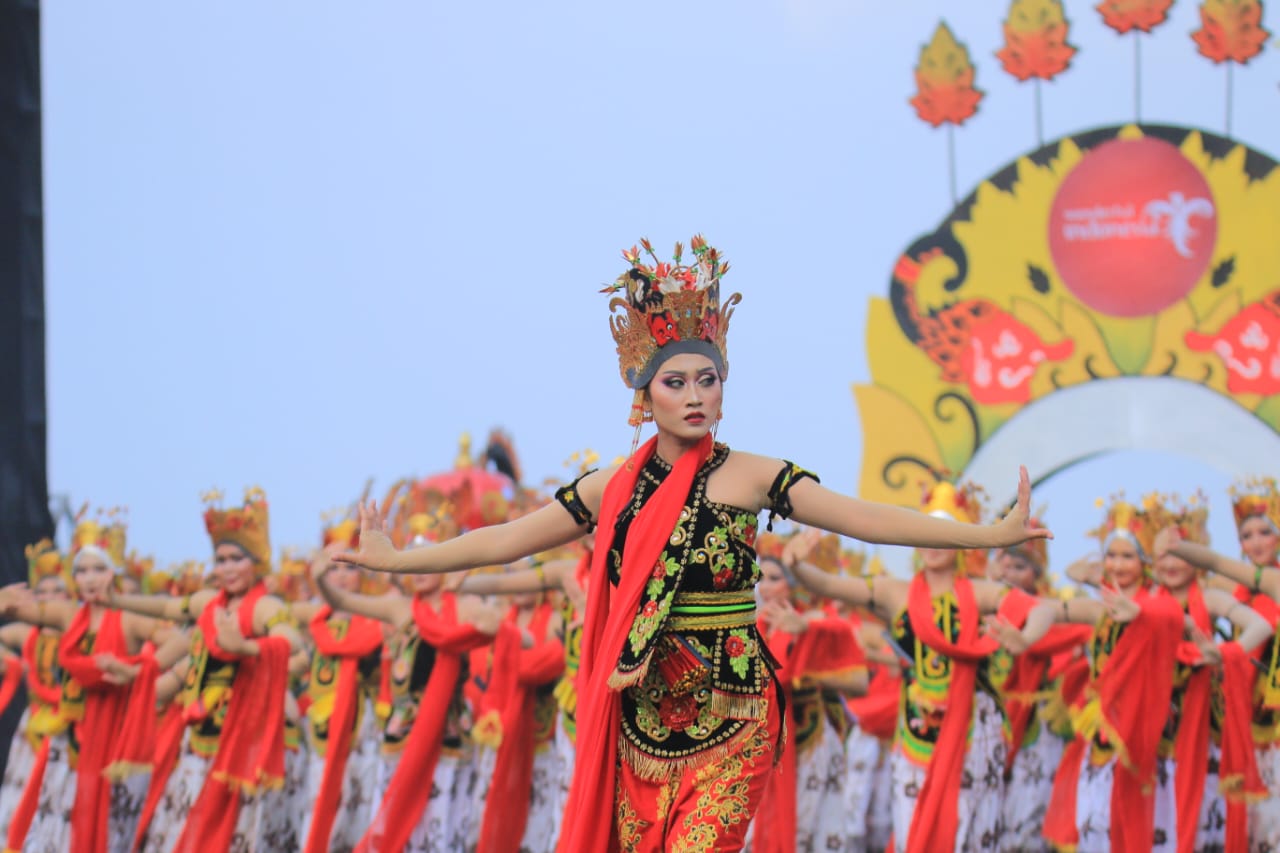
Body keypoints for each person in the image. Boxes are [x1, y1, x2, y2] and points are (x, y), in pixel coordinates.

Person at [334, 235, 1050, 851]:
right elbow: (505, 540)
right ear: (645, 394)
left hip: (736, 715)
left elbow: (861, 517)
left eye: (708, 379)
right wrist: (397, 561)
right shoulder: (612, 486)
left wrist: (987, 534)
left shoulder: (751, 475)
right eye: (675, 382)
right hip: (641, 723)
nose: (695, 394)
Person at [789, 480, 1058, 853]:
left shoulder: (979, 593)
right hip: (915, 732)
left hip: (973, 733)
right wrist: (796, 564)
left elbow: (1040, 609)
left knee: (969, 837)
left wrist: (1025, 637)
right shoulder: (894, 592)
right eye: (926, 530)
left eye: (942, 531)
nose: (932, 542)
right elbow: (831, 585)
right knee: (911, 833)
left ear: (961, 540)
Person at [114, 489, 305, 853]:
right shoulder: (208, 605)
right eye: (220, 560)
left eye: (236, 559)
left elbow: (292, 642)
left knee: (239, 837)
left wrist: (246, 648)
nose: (227, 568)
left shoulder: (264, 607)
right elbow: (167, 609)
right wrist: (113, 599)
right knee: (181, 832)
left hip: (246, 743)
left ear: (256, 563)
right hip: (200, 740)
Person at [1165, 478, 1280, 852]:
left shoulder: (1273, 582)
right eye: (1247, 535)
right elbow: (1198, 574)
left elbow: (1214, 561)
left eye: (1265, 532)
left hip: (1275, 724)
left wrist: (1178, 546)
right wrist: (1171, 546)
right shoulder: (1231, 591)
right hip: (1244, 721)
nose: (1256, 542)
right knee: (1254, 830)